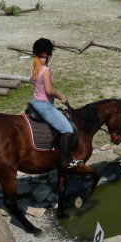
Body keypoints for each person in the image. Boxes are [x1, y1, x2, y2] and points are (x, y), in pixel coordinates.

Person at [29, 38, 83, 168]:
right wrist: (61, 97)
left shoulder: (34, 66)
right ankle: (66, 161)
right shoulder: (45, 70)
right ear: (47, 53)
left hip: (34, 102)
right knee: (67, 129)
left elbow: (35, 84)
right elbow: (49, 90)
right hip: (45, 106)